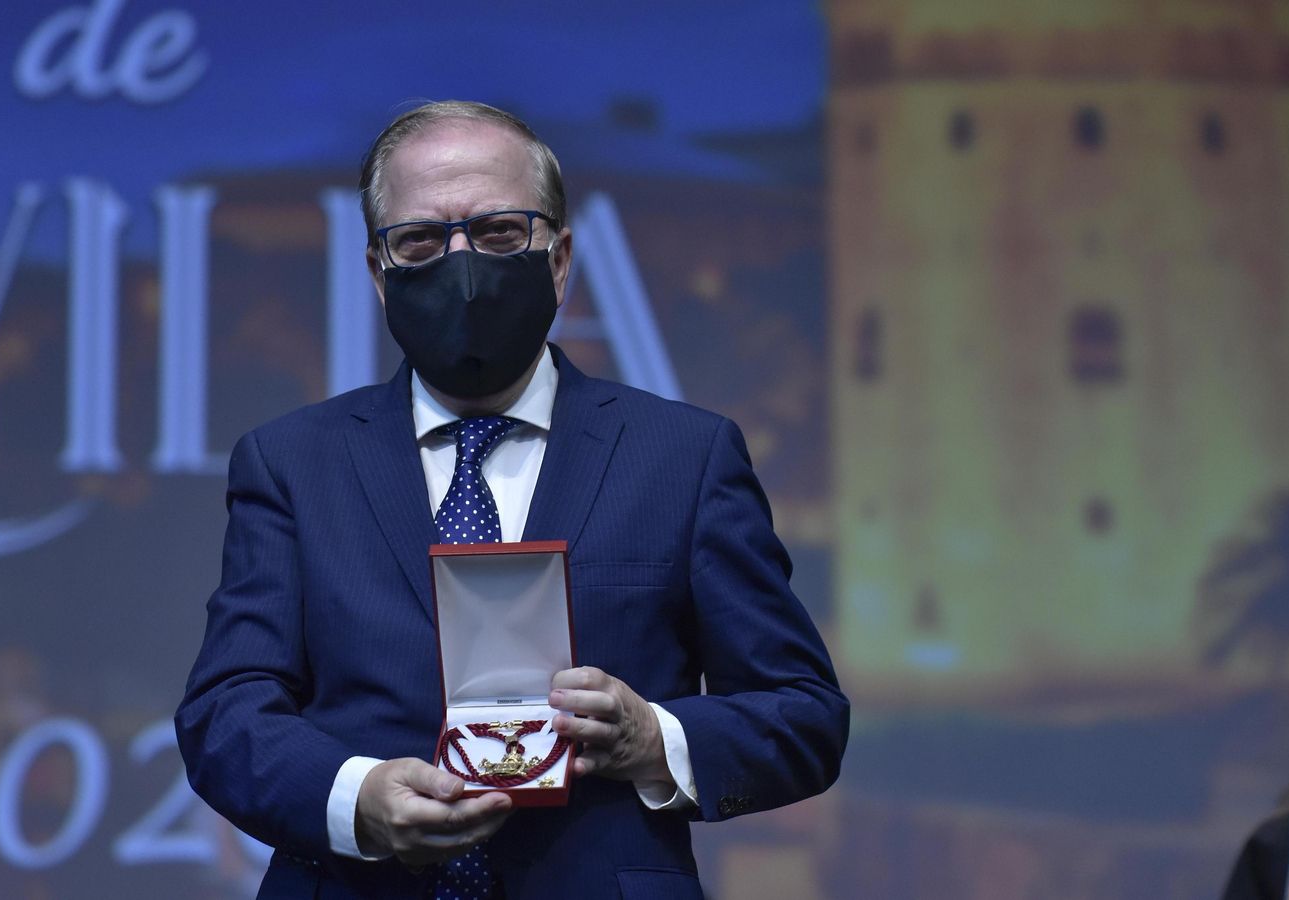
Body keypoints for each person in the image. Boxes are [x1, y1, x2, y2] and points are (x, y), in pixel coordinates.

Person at [175, 99, 848, 899]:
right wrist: (358, 798)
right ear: (378, 274)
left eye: (498, 232)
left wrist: (655, 739)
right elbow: (225, 715)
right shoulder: (291, 463)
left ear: (560, 260)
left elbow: (804, 716)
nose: (462, 263)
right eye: (422, 240)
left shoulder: (684, 457)